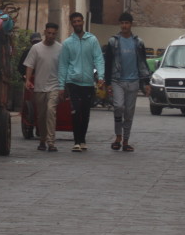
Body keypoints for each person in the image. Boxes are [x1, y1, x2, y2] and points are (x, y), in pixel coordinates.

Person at [103, 11, 150, 152]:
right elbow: (108, 62)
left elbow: (142, 62)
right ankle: (118, 136)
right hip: (117, 80)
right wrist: (107, 82)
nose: (124, 26)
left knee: (129, 112)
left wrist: (146, 82)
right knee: (118, 106)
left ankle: (126, 141)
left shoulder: (138, 42)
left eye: (127, 23)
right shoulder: (113, 42)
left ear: (131, 24)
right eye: (122, 23)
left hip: (133, 81)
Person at [57, 11, 105, 152]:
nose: (77, 23)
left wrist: (101, 76)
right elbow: (63, 65)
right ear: (71, 24)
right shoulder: (67, 43)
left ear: (83, 22)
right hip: (73, 82)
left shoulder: (92, 40)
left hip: (88, 83)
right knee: (76, 112)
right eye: (74, 21)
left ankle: (83, 140)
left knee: (85, 113)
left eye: (79, 21)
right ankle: (77, 141)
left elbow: (98, 58)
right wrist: (61, 86)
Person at [23, 23, 63, 152]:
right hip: (39, 87)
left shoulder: (60, 49)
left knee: (51, 111)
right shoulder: (36, 48)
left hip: (54, 86)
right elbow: (30, 65)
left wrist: (63, 86)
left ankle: (51, 142)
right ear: (45, 32)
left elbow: (63, 68)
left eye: (53, 34)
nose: (51, 36)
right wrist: (28, 80)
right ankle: (42, 139)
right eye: (49, 33)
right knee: (41, 116)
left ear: (56, 34)